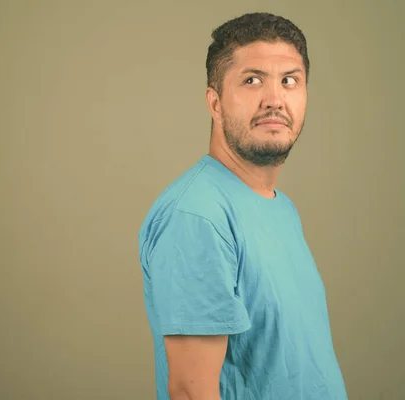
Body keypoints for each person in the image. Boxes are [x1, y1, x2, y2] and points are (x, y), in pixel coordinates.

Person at [138, 12, 348, 400]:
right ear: (214, 103)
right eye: (252, 81)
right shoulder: (199, 216)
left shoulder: (280, 208)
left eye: (290, 81)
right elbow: (189, 391)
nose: (275, 99)